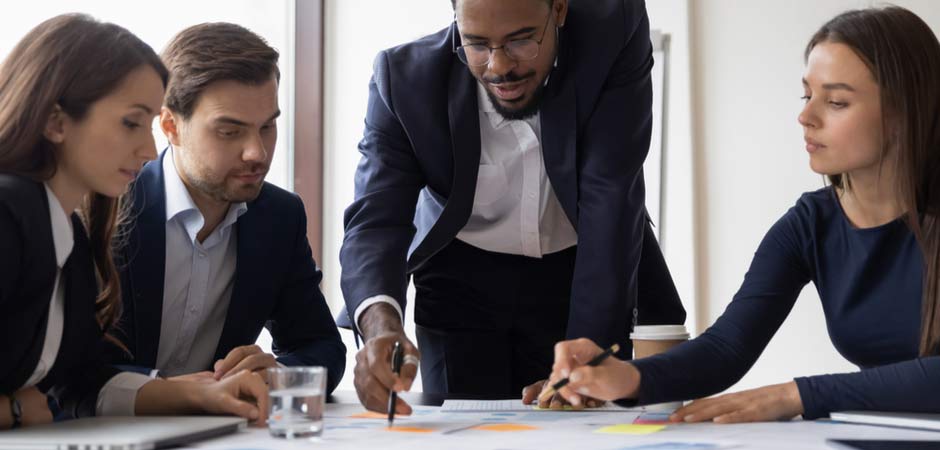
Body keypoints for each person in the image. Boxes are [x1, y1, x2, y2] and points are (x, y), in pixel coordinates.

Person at [548, 5, 940, 421]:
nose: (805, 117)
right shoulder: (809, 225)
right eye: (807, 95)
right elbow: (727, 348)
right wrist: (625, 378)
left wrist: (800, 395)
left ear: (903, 111)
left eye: (837, 101)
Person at [341, 0, 685, 414]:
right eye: (477, 44)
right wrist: (381, 326)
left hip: (582, 271)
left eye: (521, 41)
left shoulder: (611, 35)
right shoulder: (404, 78)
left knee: (580, 422)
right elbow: (375, 221)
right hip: (459, 279)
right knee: (465, 429)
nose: (499, 66)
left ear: (558, 10)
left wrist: (588, 352)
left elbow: (609, 193)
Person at [0, 14, 268, 429]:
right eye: (131, 123)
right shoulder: (9, 212)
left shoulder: (67, 231)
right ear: (55, 122)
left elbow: (79, 380)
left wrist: (201, 394)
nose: (148, 149)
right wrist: (13, 410)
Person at [107, 23, 346, 393]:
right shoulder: (108, 208)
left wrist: (275, 374)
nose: (258, 153)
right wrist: (173, 395)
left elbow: (322, 347)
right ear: (171, 126)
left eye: (267, 127)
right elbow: (75, 372)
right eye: (230, 131)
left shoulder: (279, 217)